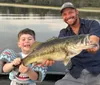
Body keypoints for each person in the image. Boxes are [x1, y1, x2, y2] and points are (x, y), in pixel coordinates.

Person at [54, 2, 100, 85]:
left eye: (70, 12)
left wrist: (93, 45)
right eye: (64, 14)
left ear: (77, 12)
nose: (68, 16)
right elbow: (61, 54)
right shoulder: (63, 33)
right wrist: (49, 59)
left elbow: (94, 39)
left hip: (96, 72)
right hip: (75, 74)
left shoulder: (92, 24)